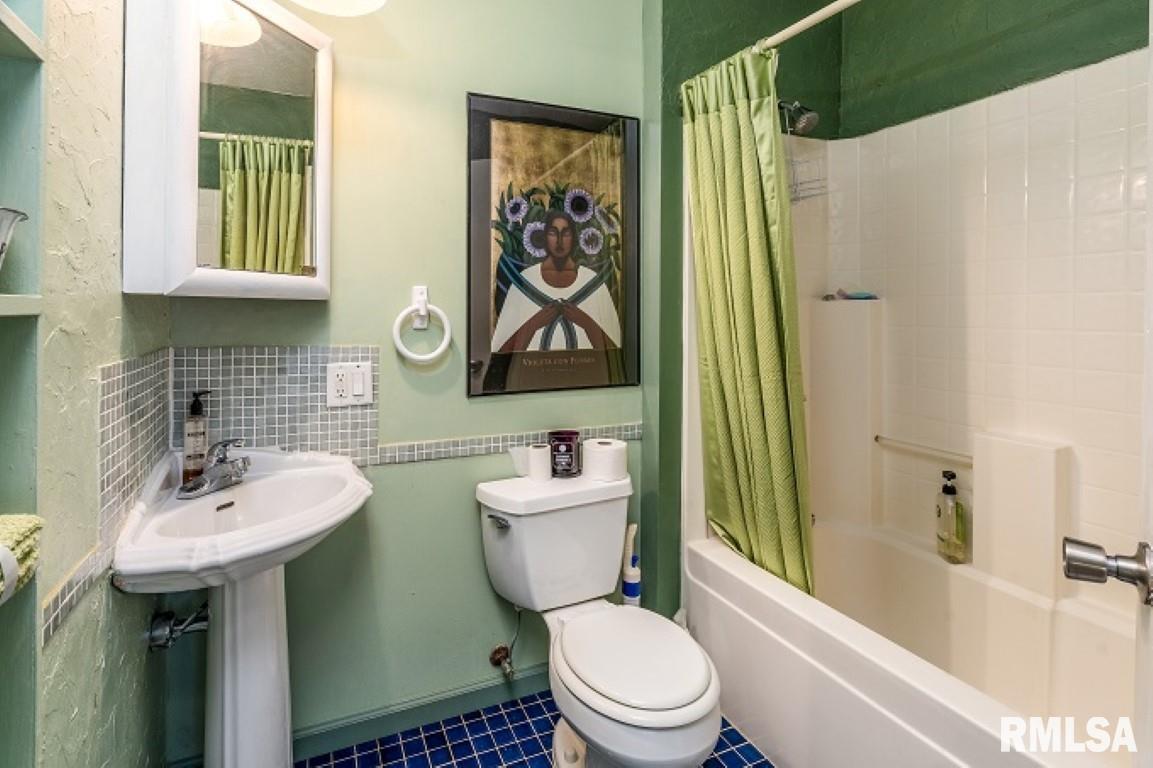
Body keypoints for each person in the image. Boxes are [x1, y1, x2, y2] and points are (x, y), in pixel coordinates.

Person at [490, 210, 622, 353]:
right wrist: (533, 324)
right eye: (553, 233)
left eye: (565, 233)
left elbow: (614, 353)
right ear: (545, 237)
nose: (559, 241)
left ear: (574, 238)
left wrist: (586, 322)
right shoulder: (525, 281)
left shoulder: (593, 283)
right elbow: (502, 354)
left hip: (586, 373)